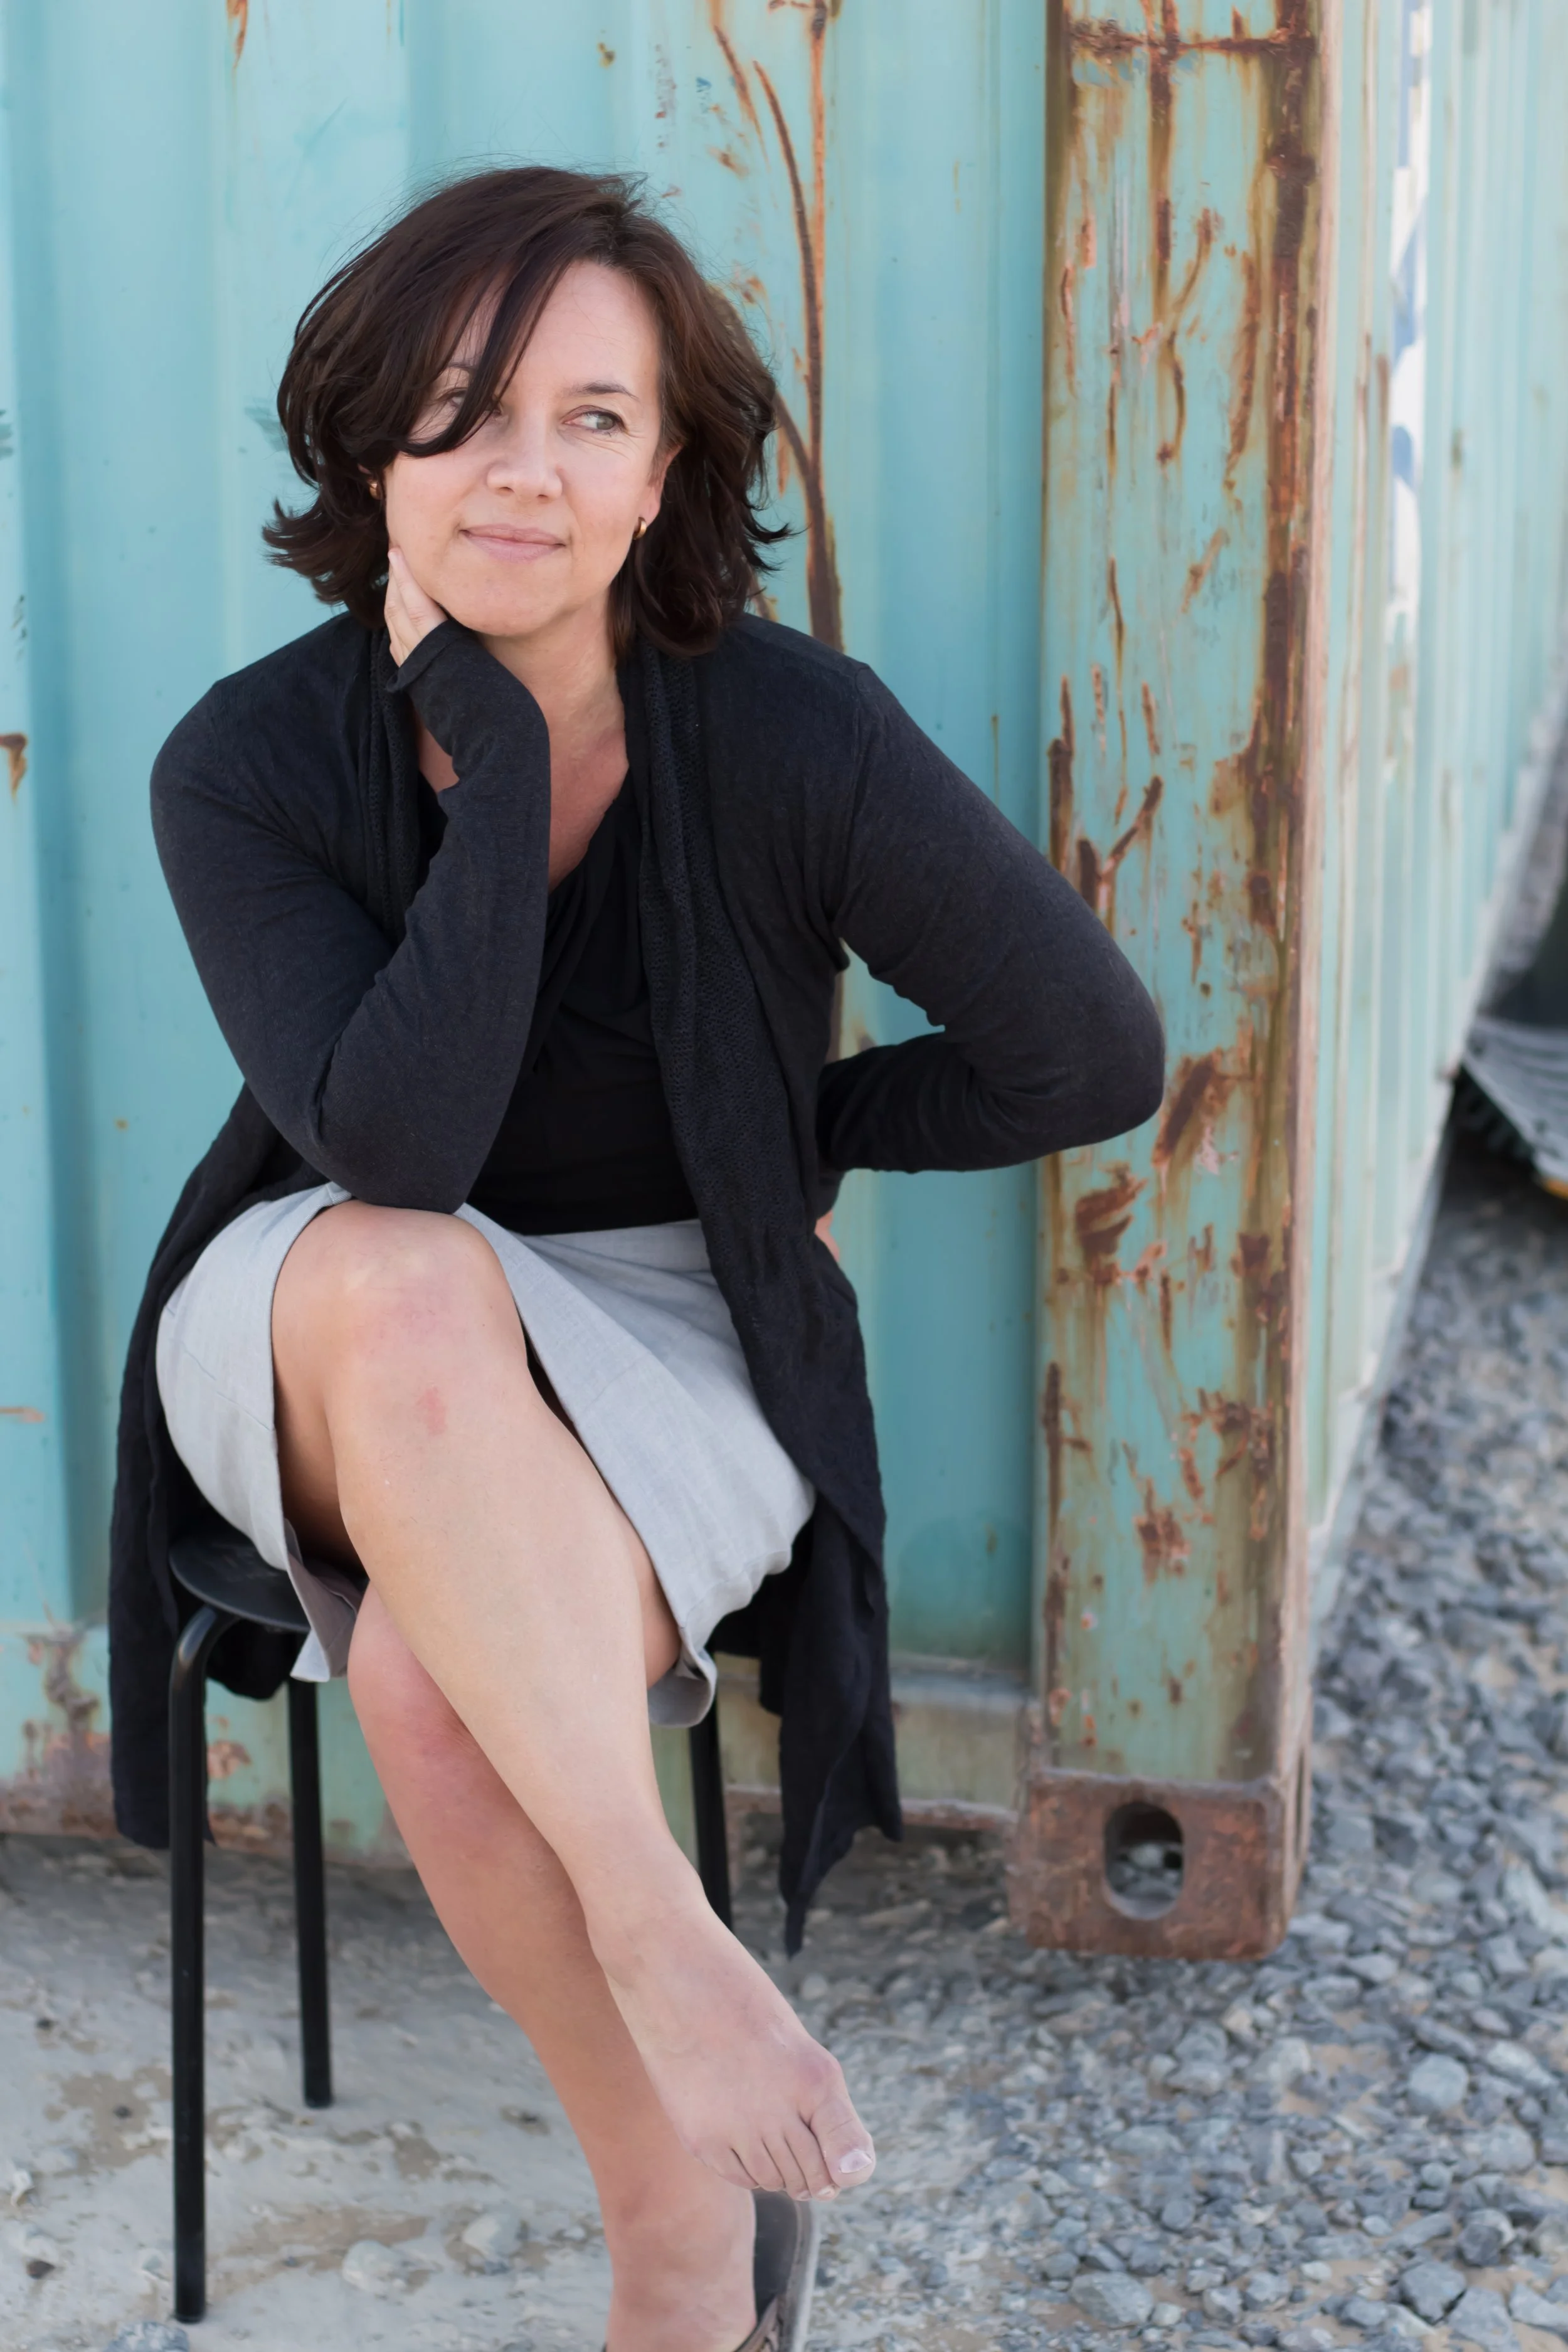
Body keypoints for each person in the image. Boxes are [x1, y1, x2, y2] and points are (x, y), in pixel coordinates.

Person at [109, 166, 1165, 2352]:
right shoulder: (246, 762)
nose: (526, 469)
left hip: (675, 1311)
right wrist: (494, 759)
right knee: (412, 1272)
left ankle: (680, 2252)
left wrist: (790, 1137)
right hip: (323, 1304)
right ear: (370, 448)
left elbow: (1084, 1050)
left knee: (430, 1677)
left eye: (592, 418)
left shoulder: (788, 731)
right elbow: (396, 1149)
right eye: (463, 410)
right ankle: (665, 1937)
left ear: (663, 468)